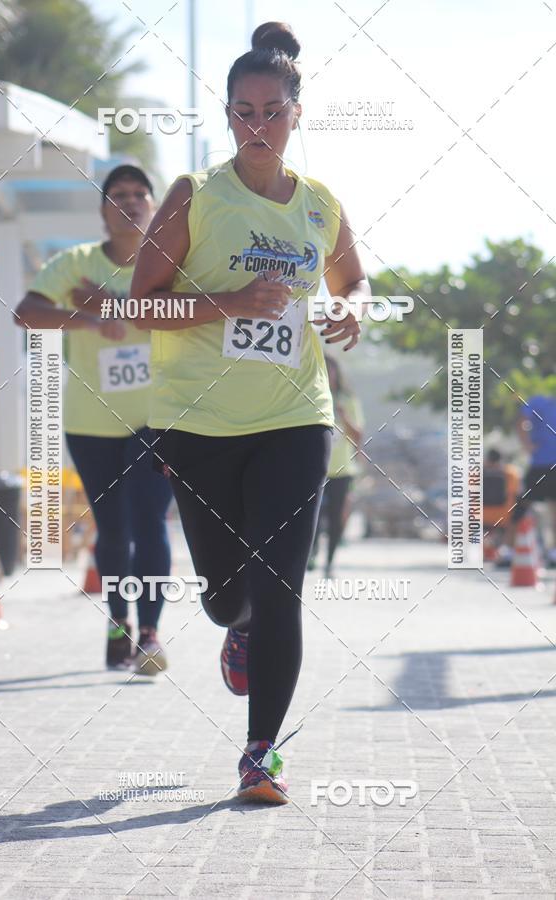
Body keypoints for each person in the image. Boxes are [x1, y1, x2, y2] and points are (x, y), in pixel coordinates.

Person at [130, 22, 368, 803]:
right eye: (242, 111)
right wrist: (228, 300)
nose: (256, 125)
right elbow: (143, 304)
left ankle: (261, 753)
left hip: (296, 416)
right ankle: (234, 624)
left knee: (280, 587)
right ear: (227, 115)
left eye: (271, 110)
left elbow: (353, 281)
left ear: (298, 112)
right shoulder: (195, 196)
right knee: (230, 592)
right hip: (196, 422)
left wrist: (350, 313)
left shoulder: (321, 204)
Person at [14, 164, 173, 674]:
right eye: (118, 195)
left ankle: (150, 633)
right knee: (112, 529)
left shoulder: (173, 264)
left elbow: (201, 316)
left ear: (154, 207)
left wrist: (114, 305)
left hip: (159, 418)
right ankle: (117, 623)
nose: (130, 203)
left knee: (150, 522)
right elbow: (26, 312)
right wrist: (86, 319)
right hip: (91, 420)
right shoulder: (74, 263)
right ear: (103, 211)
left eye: (139, 195)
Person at [309, 355, 363, 578]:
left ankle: (329, 562)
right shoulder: (310, 396)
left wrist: (343, 415)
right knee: (312, 517)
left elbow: (358, 436)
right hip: (314, 468)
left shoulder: (348, 401)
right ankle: (310, 554)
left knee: (334, 519)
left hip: (342, 470)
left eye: (330, 370)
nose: (327, 375)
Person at [516, 393, 556, 566]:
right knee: (523, 505)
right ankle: (509, 550)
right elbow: (521, 421)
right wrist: (526, 445)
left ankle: (553, 551)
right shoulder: (540, 401)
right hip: (540, 465)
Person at [482, 448, 520, 566]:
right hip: (504, 516)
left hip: (482, 516)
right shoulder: (510, 472)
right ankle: (506, 552)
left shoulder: (477, 473)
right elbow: (515, 492)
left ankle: (488, 552)